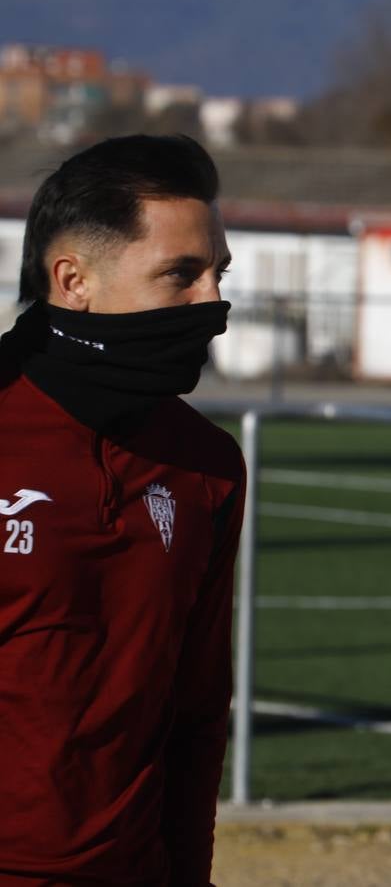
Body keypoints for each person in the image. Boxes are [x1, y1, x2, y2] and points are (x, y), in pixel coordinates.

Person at [0, 134, 243, 885]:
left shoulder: (208, 464)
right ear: (73, 280)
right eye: (182, 274)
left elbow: (199, 712)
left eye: (219, 273)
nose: (213, 303)